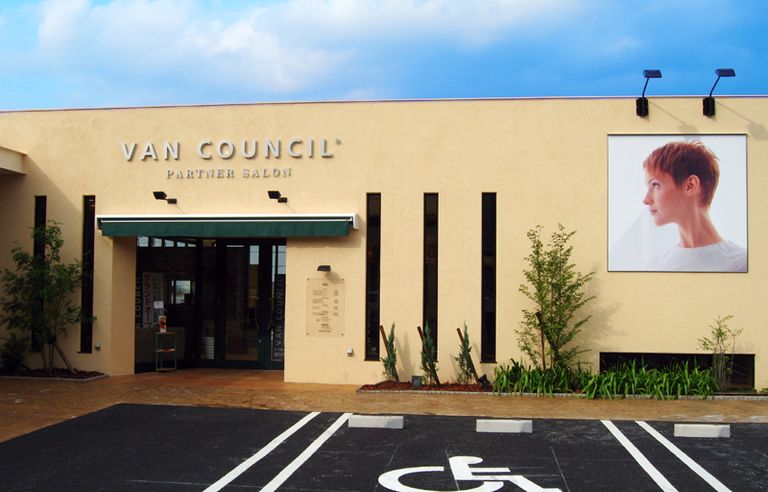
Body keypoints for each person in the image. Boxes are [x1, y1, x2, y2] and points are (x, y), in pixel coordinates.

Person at [642, 141, 746, 272]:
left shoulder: (743, 264)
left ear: (690, 185)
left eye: (655, 185)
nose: (646, 200)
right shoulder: (655, 268)